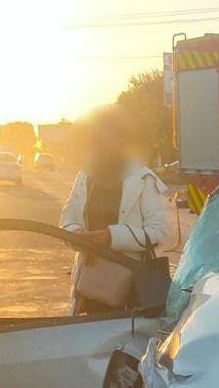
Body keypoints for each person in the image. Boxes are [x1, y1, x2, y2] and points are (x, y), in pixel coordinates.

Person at [60, 106, 169, 314]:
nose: (104, 143)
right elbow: (67, 219)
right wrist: (76, 234)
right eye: (98, 137)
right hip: (89, 286)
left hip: (130, 291)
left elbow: (158, 233)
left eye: (110, 136)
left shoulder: (143, 178)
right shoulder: (85, 178)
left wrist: (110, 237)